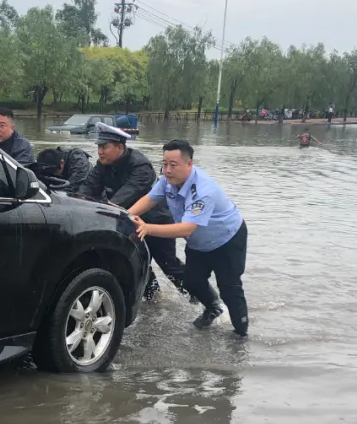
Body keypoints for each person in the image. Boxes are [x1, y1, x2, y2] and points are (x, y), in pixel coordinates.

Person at [127, 139, 249, 337]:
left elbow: (186, 229)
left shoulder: (202, 190)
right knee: (192, 281)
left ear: (189, 164)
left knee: (230, 288)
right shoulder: (167, 181)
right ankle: (213, 308)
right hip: (199, 243)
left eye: (173, 165)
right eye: (164, 163)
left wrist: (147, 228)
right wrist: (125, 216)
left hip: (227, 240)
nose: (167, 170)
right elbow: (149, 199)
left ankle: (241, 335)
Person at [78, 124, 195, 303]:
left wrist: (104, 212)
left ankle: (200, 299)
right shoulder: (102, 165)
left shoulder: (141, 166)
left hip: (156, 221)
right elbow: (86, 190)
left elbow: (121, 200)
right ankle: (154, 297)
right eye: (98, 147)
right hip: (129, 221)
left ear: (119, 147)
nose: (100, 152)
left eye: (104, 147)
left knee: (169, 265)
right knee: (137, 263)